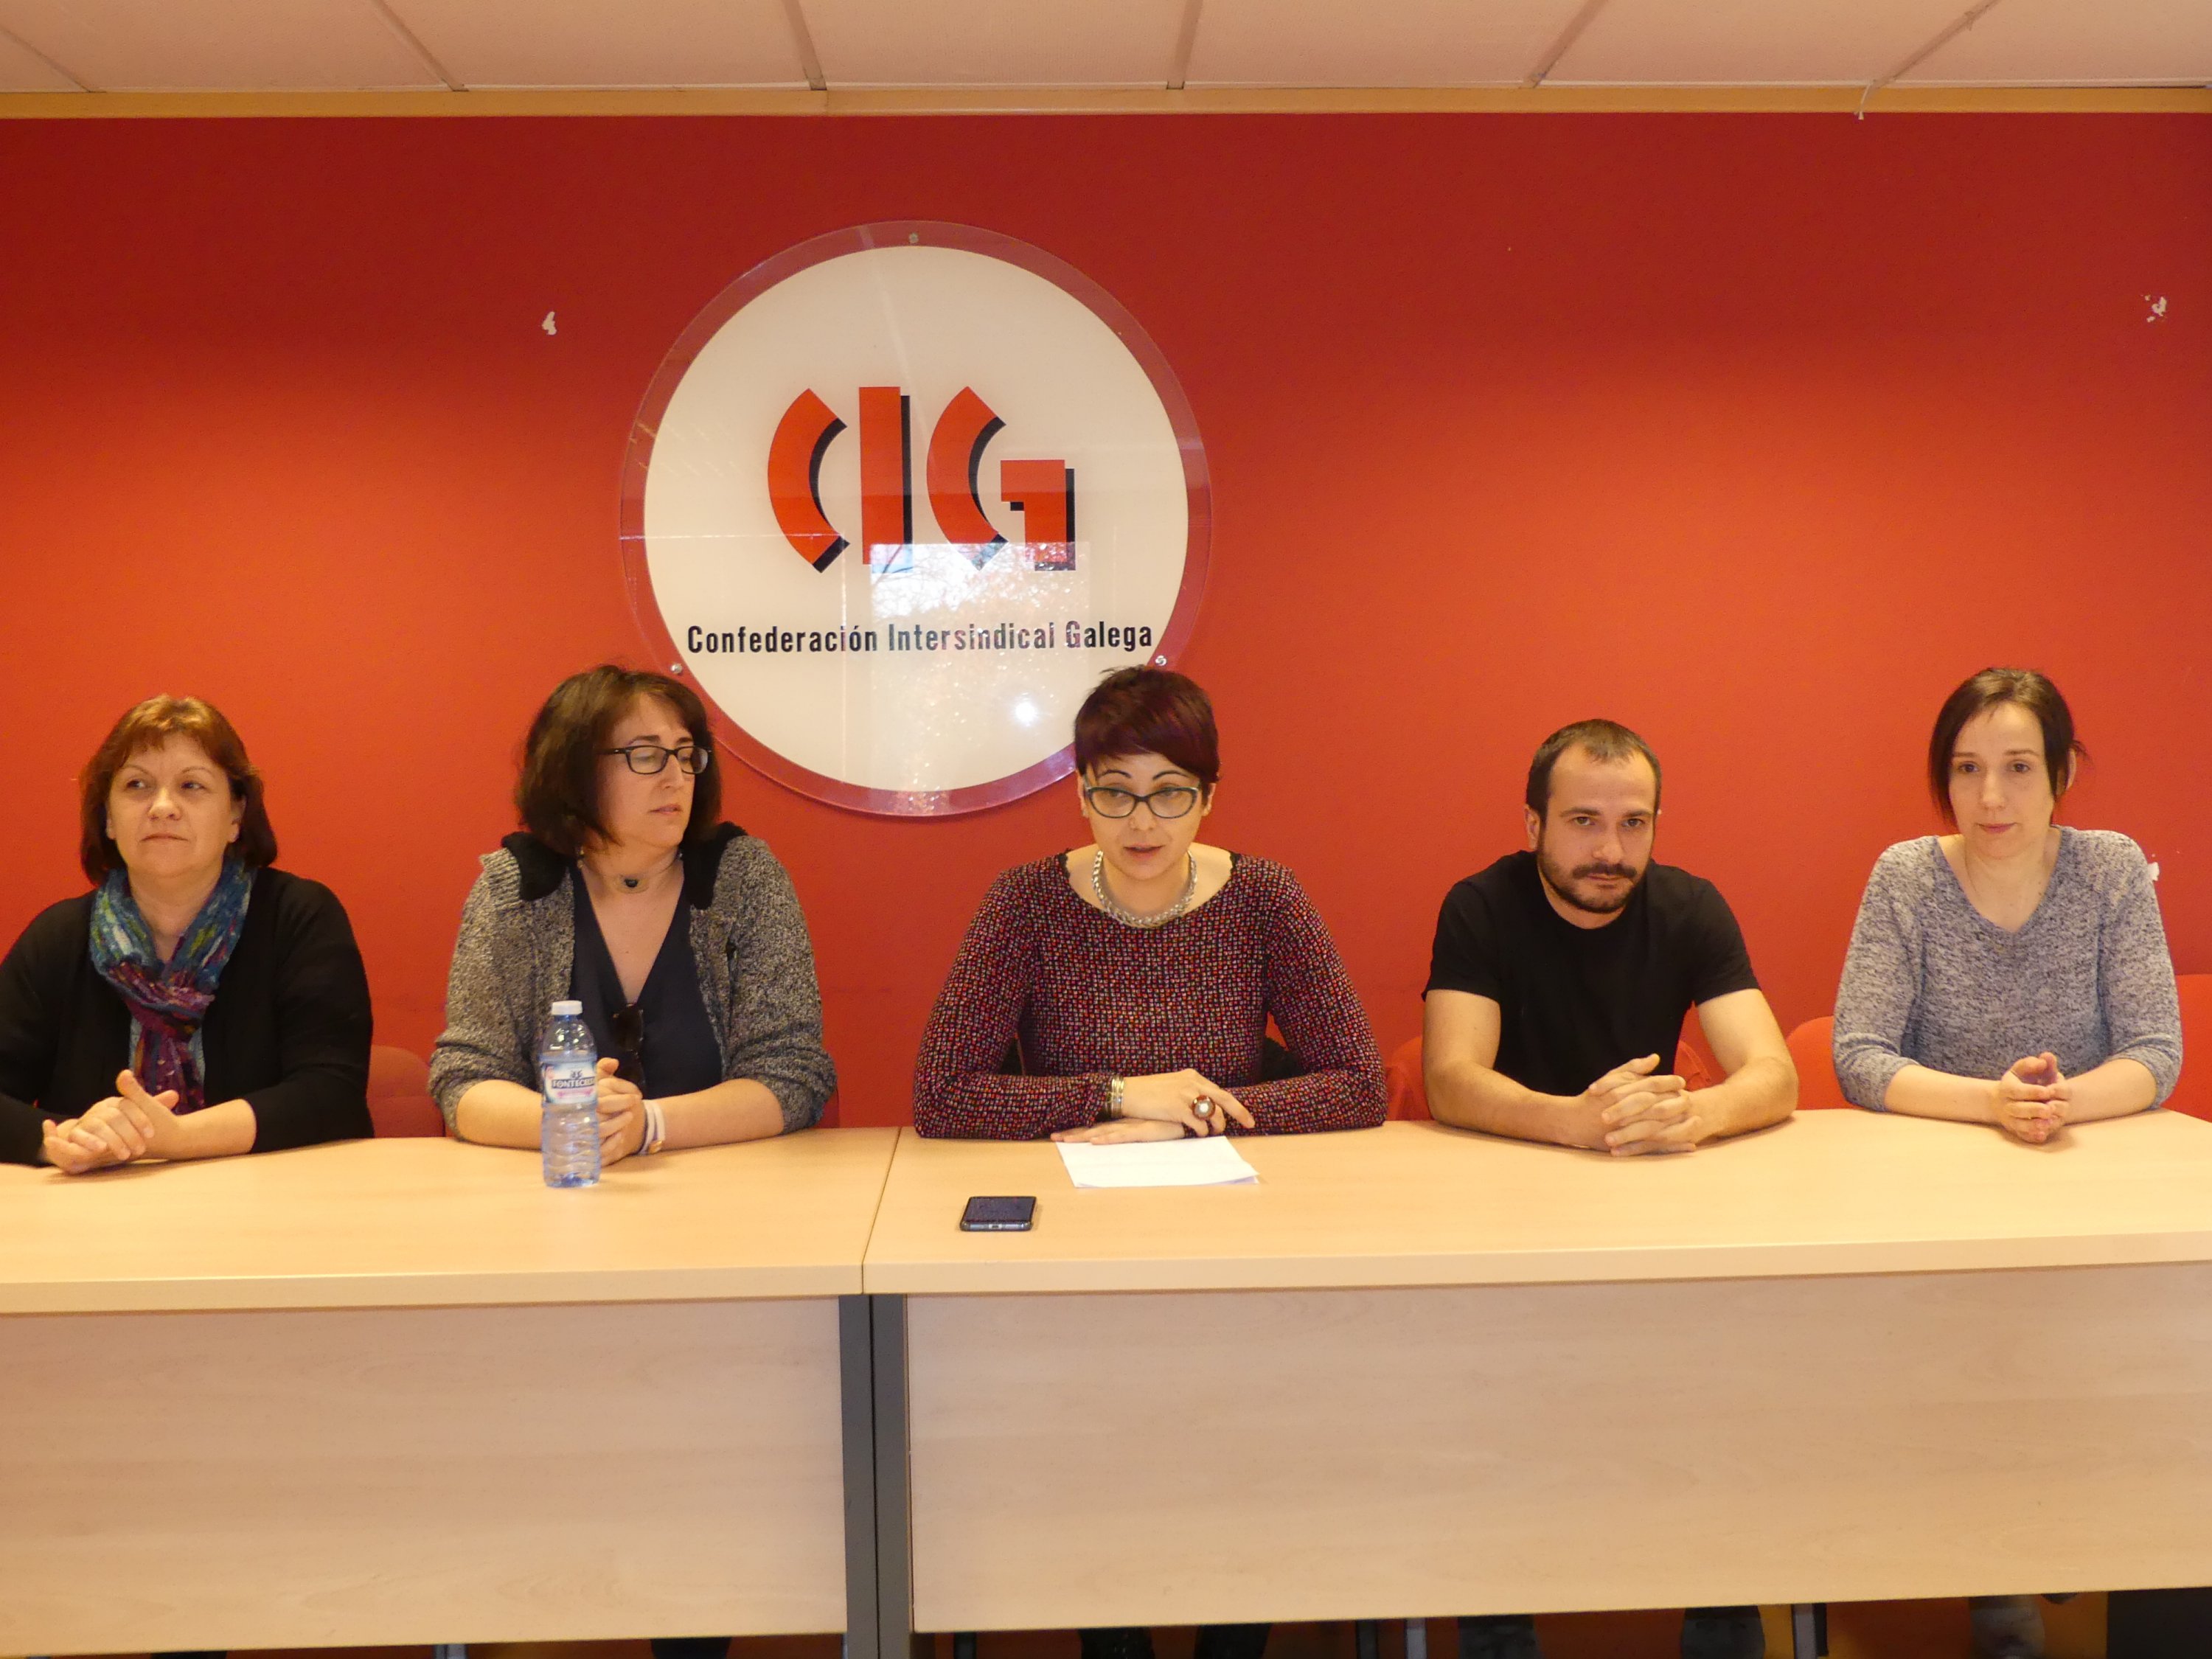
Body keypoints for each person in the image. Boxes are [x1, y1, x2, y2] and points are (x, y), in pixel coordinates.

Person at [913, 665, 1385, 1659]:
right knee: (1096, 1445)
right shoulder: (1027, 903)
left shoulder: (1262, 898)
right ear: (1080, 793)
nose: (1141, 820)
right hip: (1075, 1252)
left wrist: (1198, 1116)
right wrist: (1121, 1095)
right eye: (1115, 791)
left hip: (1236, 1240)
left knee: (1248, 1442)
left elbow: (1358, 1082)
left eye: (1170, 792)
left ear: (1209, 795)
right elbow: (942, 1093)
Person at [1423, 717, 1796, 1659]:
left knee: (1721, 1397)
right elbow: (1452, 1078)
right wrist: (1573, 1121)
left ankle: (1720, 1618)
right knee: (1488, 1417)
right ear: (1533, 825)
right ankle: (1498, 1621)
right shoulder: (1479, 907)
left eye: (1635, 823)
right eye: (1584, 821)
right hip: (1505, 1211)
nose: (1611, 850)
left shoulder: (1690, 907)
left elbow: (1773, 1074)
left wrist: (1691, 1117)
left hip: (1651, 1204)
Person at [1832, 667, 2183, 1659]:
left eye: (2019, 767)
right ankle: (1998, 1573)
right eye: (1967, 769)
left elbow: (2155, 1048)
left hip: (2086, 1176)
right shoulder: (1906, 876)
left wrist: (2059, 1102)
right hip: (1942, 1187)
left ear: (2062, 773)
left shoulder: (2110, 869)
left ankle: (2077, 1522)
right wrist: (1991, 1102)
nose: (1992, 796)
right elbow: (1859, 1052)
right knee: (1972, 1364)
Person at [431, 664, 835, 1178]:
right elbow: (466, 1077)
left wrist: (646, 1125)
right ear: (575, 771)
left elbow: (793, 1074)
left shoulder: (742, 879)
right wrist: (573, 1119)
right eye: (646, 756)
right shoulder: (517, 889)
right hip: (559, 1194)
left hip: (728, 1190)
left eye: (686, 755)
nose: (677, 778)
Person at [0, 695, 371, 1172]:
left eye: (191, 786)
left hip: (276, 1198)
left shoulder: (298, 917)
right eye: (137, 785)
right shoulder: (58, 938)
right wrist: (66, 1139)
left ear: (236, 816)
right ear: (109, 817)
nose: (162, 807)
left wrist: (175, 1139)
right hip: (100, 1207)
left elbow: (332, 1093)